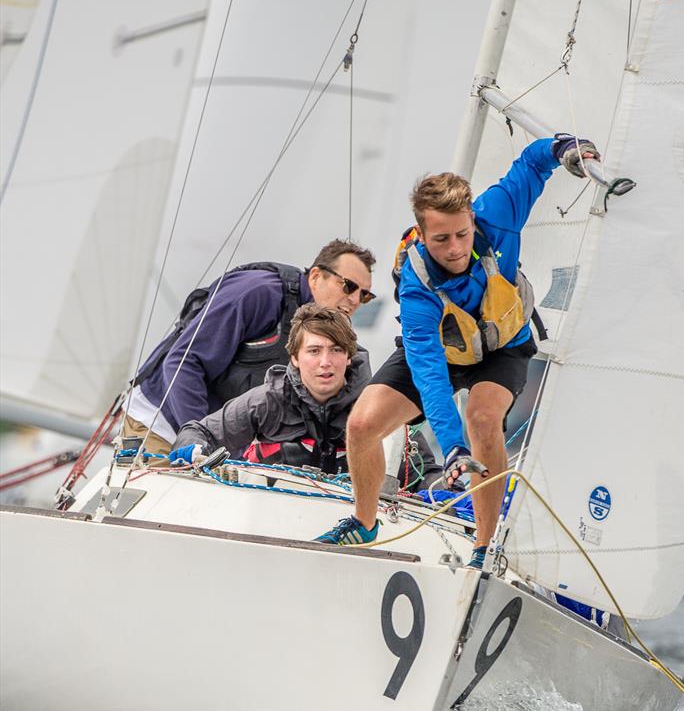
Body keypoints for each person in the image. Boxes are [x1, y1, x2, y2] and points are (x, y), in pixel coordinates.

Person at [316, 135, 599, 566]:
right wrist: (452, 449)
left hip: (502, 348)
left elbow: (531, 164)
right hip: (445, 356)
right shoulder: (416, 289)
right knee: (361, 425)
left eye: (462, 234)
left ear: (472, 218)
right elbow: (429, 375)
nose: (455, 249)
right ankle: (365, 522)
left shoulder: (498, 212)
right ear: (421, 234)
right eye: (441, 239)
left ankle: (484, 549)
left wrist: (563, 149)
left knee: (483, 418)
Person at [123, 239, 376, 455]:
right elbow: (182, 362)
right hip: (160, 426)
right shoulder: (259, 293)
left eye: (364, 295)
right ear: (316, 277)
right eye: (349, 286)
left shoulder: (320, 337)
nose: (355, 300)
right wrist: (199, 439)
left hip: (218, 446)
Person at [170, 303, 440, 487]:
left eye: (336, 350)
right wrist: (193, 450)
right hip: (269, 516)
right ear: (295, 358)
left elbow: (427, 474)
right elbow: (200, 431)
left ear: (349, 358)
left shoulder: (380, 407)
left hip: (352, 529)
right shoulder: (266, 401)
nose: (326, 362)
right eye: (314, 351)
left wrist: (447, 491)